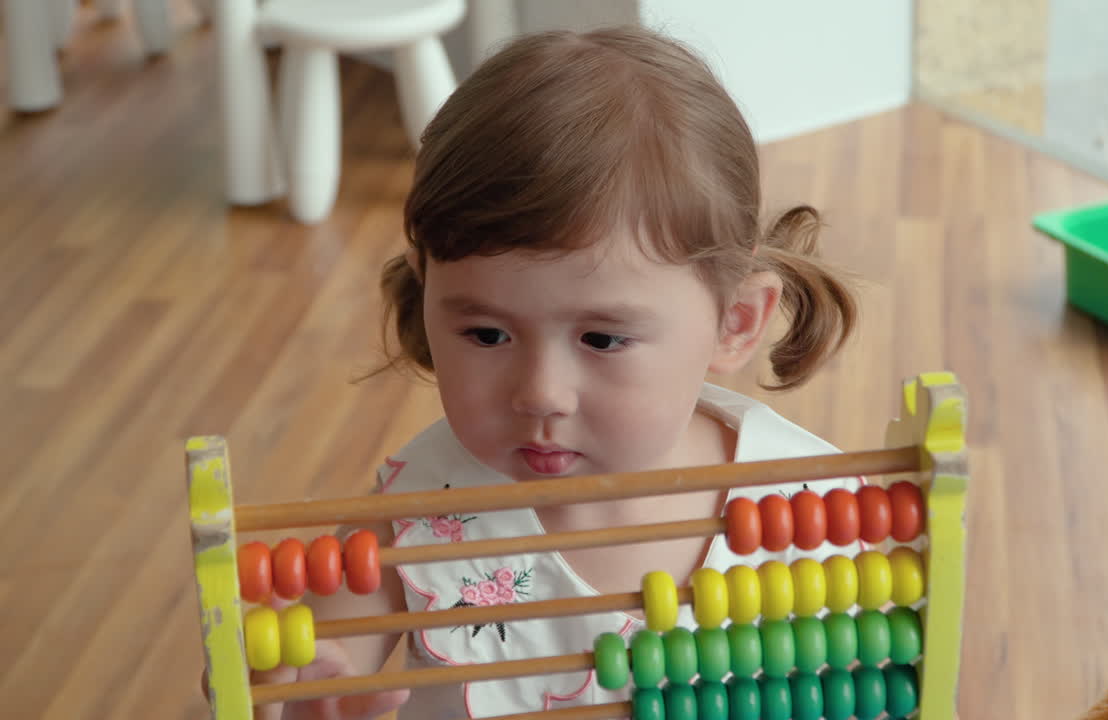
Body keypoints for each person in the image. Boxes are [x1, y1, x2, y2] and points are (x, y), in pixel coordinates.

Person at [254, 24, 862, 720]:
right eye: (486, 332)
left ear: (736, 323)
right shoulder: (420, 512)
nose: (539, 392)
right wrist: (289, 695)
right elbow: (317, 669)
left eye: (602, 338)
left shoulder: (813, 514)